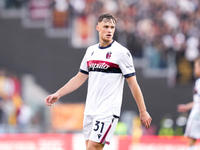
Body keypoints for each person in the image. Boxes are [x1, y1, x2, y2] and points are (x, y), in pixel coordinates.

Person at [45, 13, 152, 150]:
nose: (109, 30)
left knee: (94, 147)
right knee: (90, 146)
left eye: (112, 27)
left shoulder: (121, 53)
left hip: (107, 111)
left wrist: (143, 111)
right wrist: (58, 94)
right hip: (90, 110)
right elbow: (79, 77)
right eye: (106, 26)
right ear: (97, 28)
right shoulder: (91, 51)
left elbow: (133, 83)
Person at [177, 56, 200, 150]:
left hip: (197, 115)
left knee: (192, 139)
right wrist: (187, 106)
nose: (194, 70)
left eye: (196, 67)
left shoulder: (199, 82)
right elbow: (197, 100)